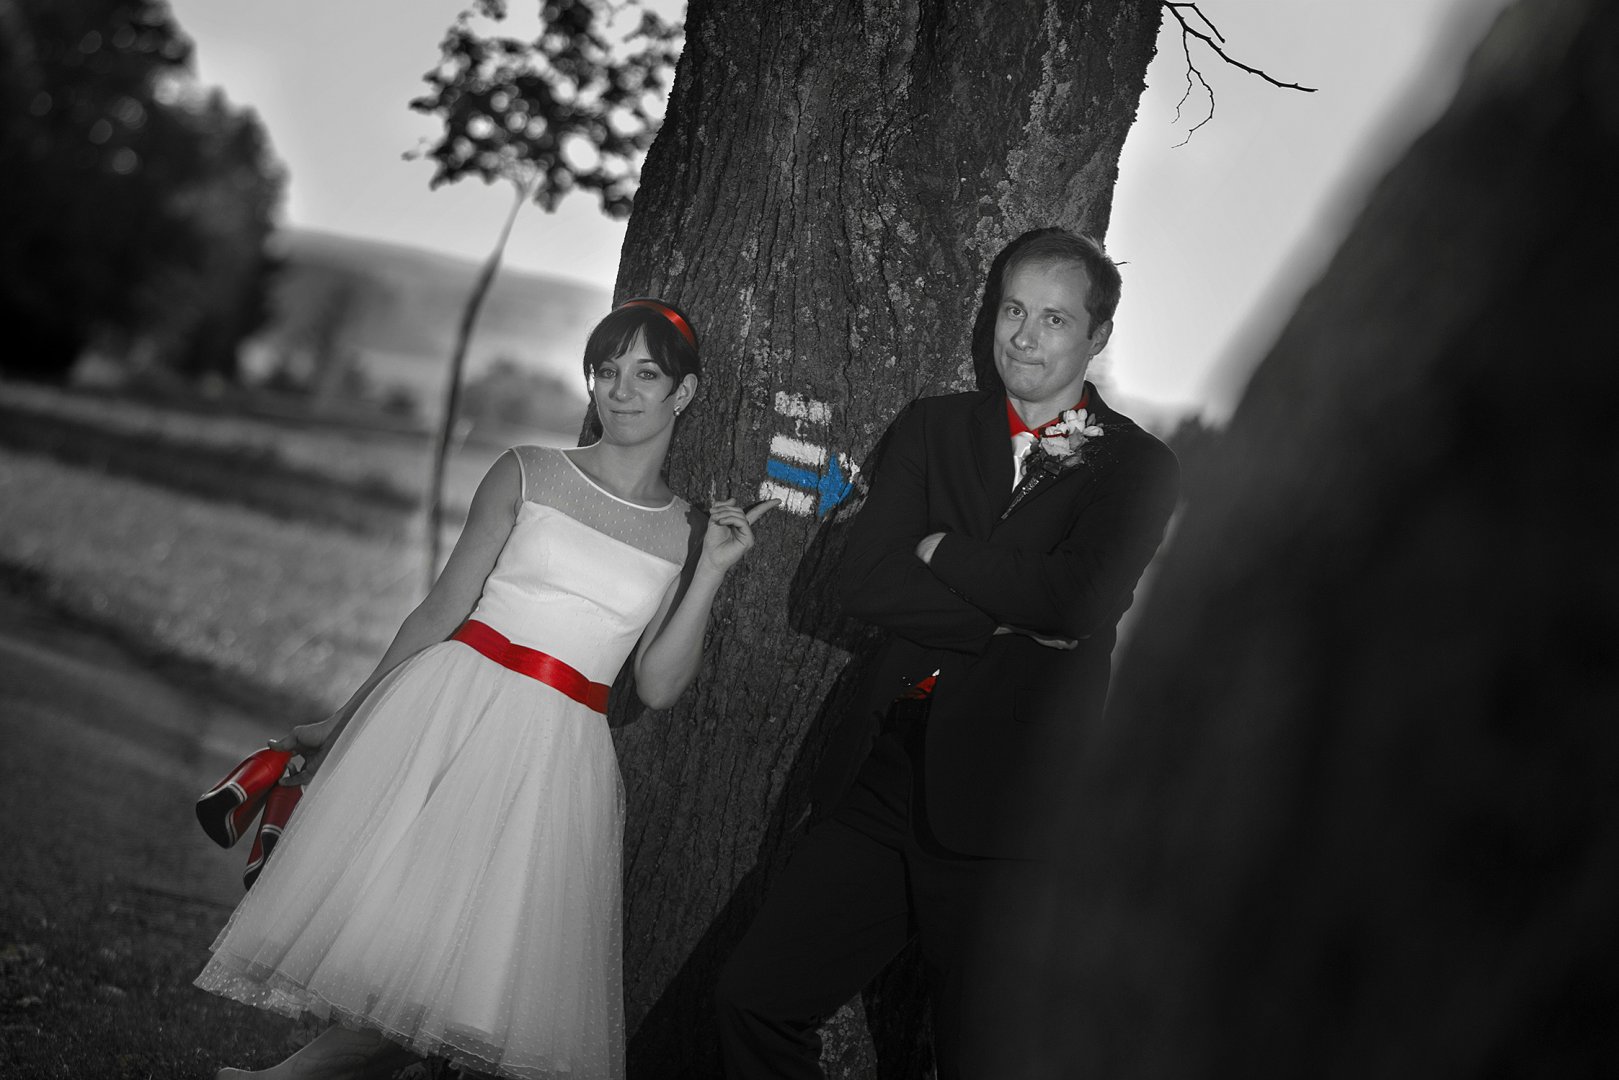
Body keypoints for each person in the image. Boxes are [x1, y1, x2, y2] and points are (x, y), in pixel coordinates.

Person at [196, 298, 776, 1080]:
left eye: (646, 375)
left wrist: (709, 574)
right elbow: (438, 611)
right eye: (607, 371)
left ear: (685, 392)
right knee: (402, 950)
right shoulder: (527, 472)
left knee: (462, 974)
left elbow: (659, 685)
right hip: (452, 712)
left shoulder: (690, 530)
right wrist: (343, 722)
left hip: (555, 754)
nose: (621, 391)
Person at [715, 229, 1181, 1077]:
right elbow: (862, 579)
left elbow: (1074, 600)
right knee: (753, 1000)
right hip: (882, 773)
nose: (1024, 337)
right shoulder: (933, 427)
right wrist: (996, 625)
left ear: (1097, 336)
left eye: (1053, 319)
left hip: (1011, 807)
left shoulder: (1136, 467)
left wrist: (940, 551)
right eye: (1012, 311)